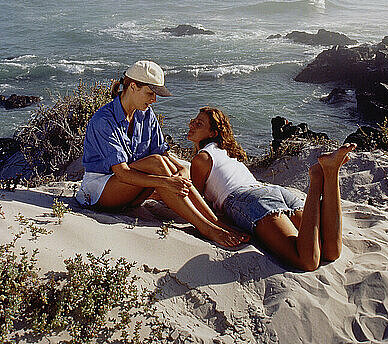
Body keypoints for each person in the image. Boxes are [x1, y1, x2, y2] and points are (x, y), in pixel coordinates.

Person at [76, 60, 247, 247]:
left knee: (166, 164)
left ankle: (214, 221)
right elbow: (122, 173)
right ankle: (206, 227)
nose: (154, 100)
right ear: (133, 86)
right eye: (150, 93)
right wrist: (166, 182)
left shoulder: (145, 114)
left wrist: (181, 170)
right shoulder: (103, 120)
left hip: (131, 192)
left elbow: (163, 155)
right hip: (98, 191)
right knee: (157, 164)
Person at [188, 106, 357, 271]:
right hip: (272, 192)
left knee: (307, 260)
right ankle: (331, 172)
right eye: (194, 120)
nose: (192, 124)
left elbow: (196, 198)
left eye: (199, 124)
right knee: (330, 251)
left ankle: (316, 180)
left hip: (249, 200)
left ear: (213, 134)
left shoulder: (201, 158)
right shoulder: (226, 153)